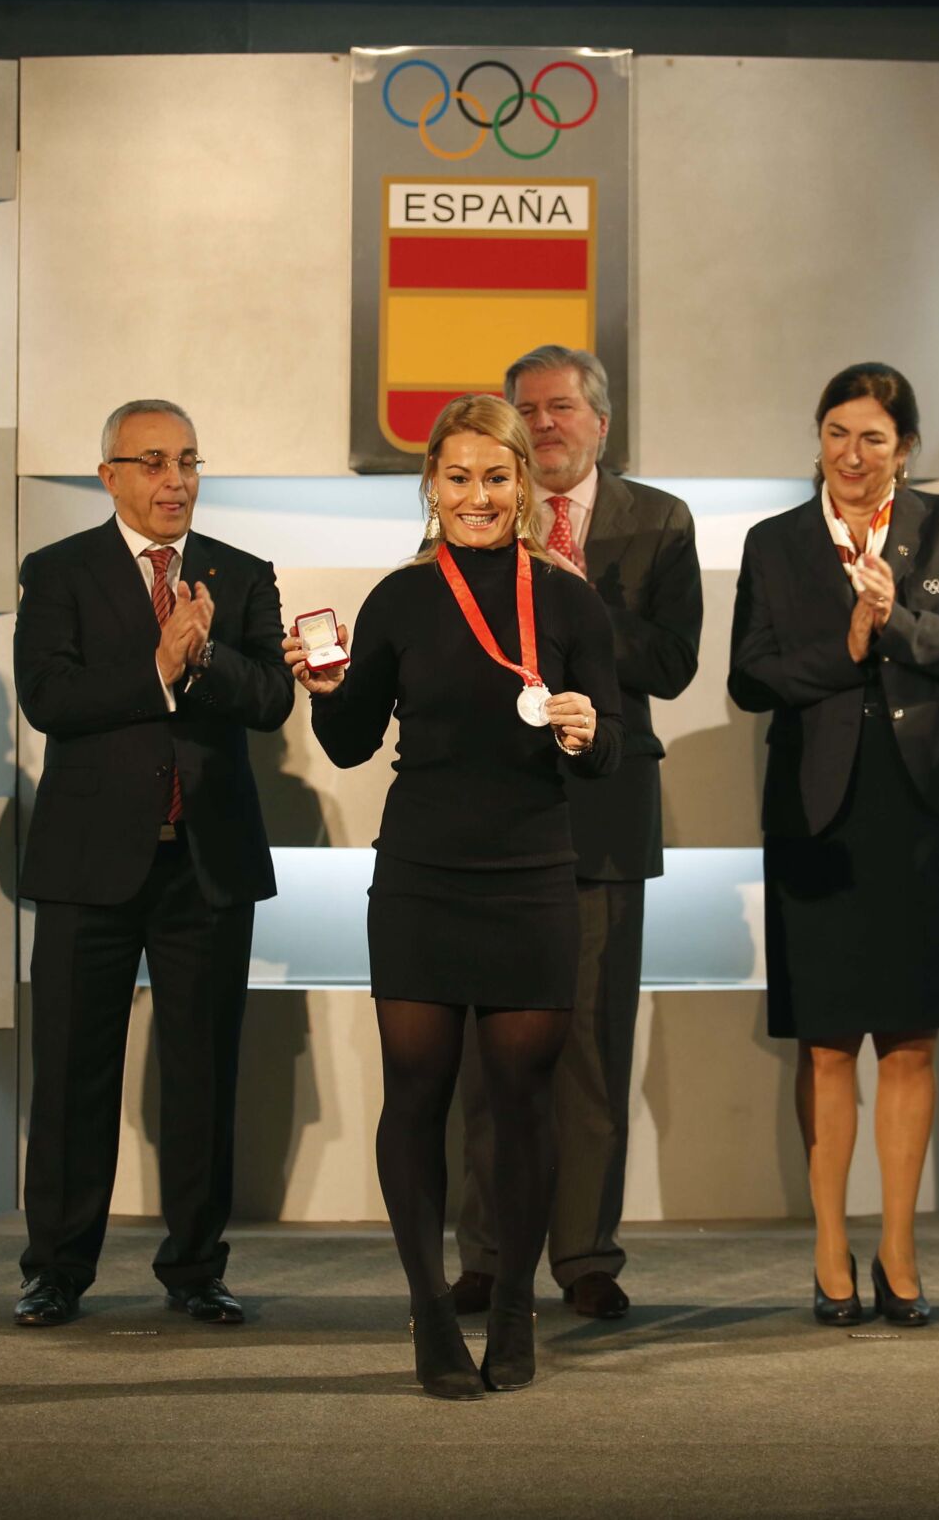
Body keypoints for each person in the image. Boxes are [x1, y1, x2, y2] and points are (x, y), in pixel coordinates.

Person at [288, 393, 621, 1400]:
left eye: (497, 476)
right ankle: (430, 1313)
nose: (479, 495)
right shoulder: (400, 598)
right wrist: (325, 691)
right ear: (431, 483)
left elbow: (606, 752)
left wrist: (587, 731)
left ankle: (514, 1307)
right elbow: (352, 743)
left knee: (522, 1099)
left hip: (531, 875)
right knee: (417, 1094)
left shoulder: (568, 600)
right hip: (422, 876)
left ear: (525, 484)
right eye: (460, 476)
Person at [12, 399, 293, 1330]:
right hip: (89, 863)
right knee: (70, 1075)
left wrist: (203, 658)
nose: (176, 480)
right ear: (111, 476)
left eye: (189, 461)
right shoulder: (59, 571)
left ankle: (197, 1267)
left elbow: (271, 697)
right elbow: (50, 696)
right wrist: (159, 668)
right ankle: (56, 1269)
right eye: (155, 462)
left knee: (202, 1075)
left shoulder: (240, 574)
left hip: (204, 865)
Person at [728, 362, 939, 1328]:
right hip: (819, 808)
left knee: (912, 1038)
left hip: (927, 806)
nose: (852, 453)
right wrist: (844, 648)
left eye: (873, 437)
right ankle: (831, 1246)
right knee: (830, 1039)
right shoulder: (776, 540)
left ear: (904, 448)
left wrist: (898, 621)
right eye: (837, 432)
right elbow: (749, 675)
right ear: (819, 438)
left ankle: (901, 1247)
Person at [448, 346, 700, 1325]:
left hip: (605, 811)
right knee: (486, 1057)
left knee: (591, 1047)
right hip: (492, 814)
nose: (544, 424)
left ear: (601, 421)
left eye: (561, 407)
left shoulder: (659, 520)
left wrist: (574, 600)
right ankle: (484, 1253)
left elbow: (672, 663)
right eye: (529, 409)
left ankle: (586, 1255)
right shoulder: (482, 508)